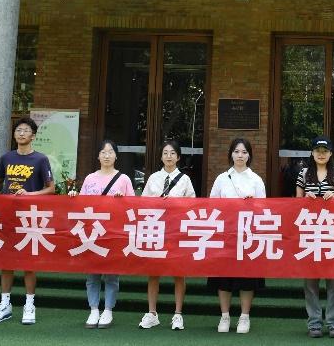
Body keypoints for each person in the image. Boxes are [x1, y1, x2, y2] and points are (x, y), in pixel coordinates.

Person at [0, 116, 55, 325]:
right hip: (8, 215)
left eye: (26, 130)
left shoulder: (41, 159)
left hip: (30, 217)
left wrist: (29, 195)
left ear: (33, 136)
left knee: (28, 262)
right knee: (6, 261)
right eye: (18, 130)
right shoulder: (6, 157)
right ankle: (5, 304)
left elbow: (51, 189)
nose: (22, 133)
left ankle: (29, 304)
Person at [71, 139, 134, 328]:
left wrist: (122, 201)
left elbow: (134, 207)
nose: (107, 155)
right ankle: (93, 309)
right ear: (98, 156)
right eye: (103, 152)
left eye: (110, 152)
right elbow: (81, 205)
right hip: (92, 233)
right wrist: (73, 197)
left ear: (116, 156)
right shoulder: (90, 178)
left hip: (113, 232)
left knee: (111, 274)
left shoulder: (123, 179)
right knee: (92, 274)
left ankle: (108, 309)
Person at [208, 137, 266, 334]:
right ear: (231, 154)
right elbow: (212, 205)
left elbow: (264, 209)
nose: (240, 155)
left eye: (244, 152)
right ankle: (224, 316)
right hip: (225, 235)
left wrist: (253, 203)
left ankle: (244, 316)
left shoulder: (256, 179)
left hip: (248, 236)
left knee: (246, 278)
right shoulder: (222, 178)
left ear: (249, 155)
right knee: (223, 278)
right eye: (236, 151)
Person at [139, 139, 197, 330]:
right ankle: (152, 313)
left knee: (178, 273)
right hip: (156, 229)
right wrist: (157, 202)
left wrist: (175, 203)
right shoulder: (153, 178)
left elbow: (193, 205)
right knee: (153, 272)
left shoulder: (185, 179)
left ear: (178, 157)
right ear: (161, 156)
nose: (169, 156)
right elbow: (142, 203)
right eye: (165, 153)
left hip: (177, 230)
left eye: (172, 153)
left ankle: (178, 314)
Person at [296, 135, 334, 338]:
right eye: (317, 150)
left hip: (331, 231)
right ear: (312, 153)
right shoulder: (303, 173)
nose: (321, 154)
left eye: (325, 151)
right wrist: (305, 198)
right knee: (310, 280)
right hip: (309, 231)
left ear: (331, 153)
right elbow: (295, 204)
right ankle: (314, 323)